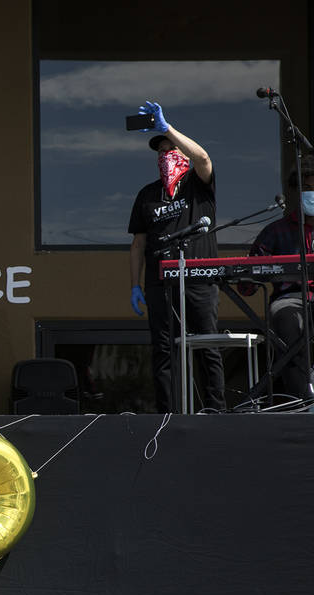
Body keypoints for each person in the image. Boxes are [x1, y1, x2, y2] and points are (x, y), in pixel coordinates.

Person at [128, 101, 225, 413]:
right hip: (160, 282)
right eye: (160, 150)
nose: (165, 154)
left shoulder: (198, 186)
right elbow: (137, 245)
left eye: (170, 149)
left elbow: (204, 158)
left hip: (199, 279)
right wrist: (135, 285)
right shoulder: (146, 195)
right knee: (163, 351)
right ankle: (167, 413)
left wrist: (167, 129)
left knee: (208, 347)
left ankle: (215, 410)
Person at [241, 157, 314, 400]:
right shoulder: (275, 231)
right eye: (307, 189)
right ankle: (301, 400)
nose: (312, 193)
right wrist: (247, 274)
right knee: (285, 320)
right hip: (290, 299)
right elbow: (247, 284)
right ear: (296, 191)